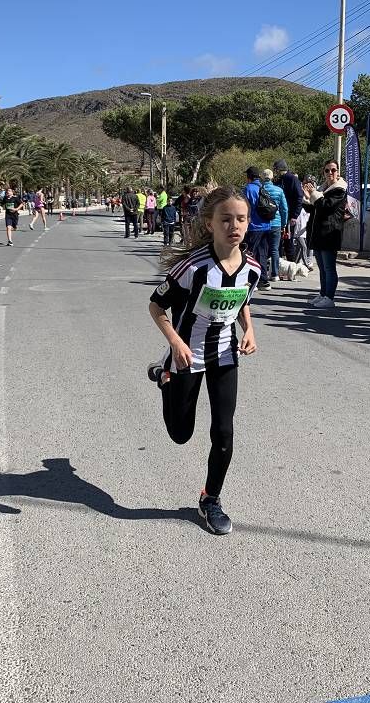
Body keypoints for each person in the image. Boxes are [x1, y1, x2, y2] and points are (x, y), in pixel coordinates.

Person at [146, 186, 260, 536]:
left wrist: (250, 330)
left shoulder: (252, 268)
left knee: (224, 432)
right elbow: (155, 306)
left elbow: (241, 301)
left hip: (225, 355)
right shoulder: (193, 268)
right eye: (226, 219)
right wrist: (176, 342)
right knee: (181, 434)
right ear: (210, 224)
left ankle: (210, 499)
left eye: (241, 219)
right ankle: (164, 377)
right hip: (187, 355)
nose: (234, 226)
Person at [304, 160, 347, 308]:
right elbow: (312, 209)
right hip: (318, 233)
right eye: (327, 170)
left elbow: (326, 207)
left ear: (338, 172)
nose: (330, 173)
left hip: (329, 233)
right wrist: (307, 196)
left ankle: (329, 297)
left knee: (329, 268)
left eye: (333, 170)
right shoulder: (322, 189)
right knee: (322, 268)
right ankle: (323, 294)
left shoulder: (339, 190)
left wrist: (314, 194)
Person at [242, 167, 272, 291]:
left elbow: (245, 208)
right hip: (266, 225)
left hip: (254, 226)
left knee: (250, 254)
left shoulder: (248, 189)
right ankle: (264, 281)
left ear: (249, 177)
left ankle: (251, 280)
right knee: (263, 254)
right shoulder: (263, 188)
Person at [259, 169, 288, 282]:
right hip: (276, 222)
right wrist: (284, 223)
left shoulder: (260, 189)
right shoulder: (279, 190)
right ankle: (275, 274)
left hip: (262, 222)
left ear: (262, 177)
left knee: (262, 249)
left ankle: (263, 273)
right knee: (275, 249)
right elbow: (284, 209)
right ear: (272, 178)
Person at [273, 159, 302, 261]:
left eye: (276, 170)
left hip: (289, 217)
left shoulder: (292, 179)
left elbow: (299, 197)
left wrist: (295, 215)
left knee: (288, 242)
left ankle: (292, 267)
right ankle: (280, 267)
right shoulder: (278, 181)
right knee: (279, 244)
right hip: (279, 217)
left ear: (280, 169)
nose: (275, 172)